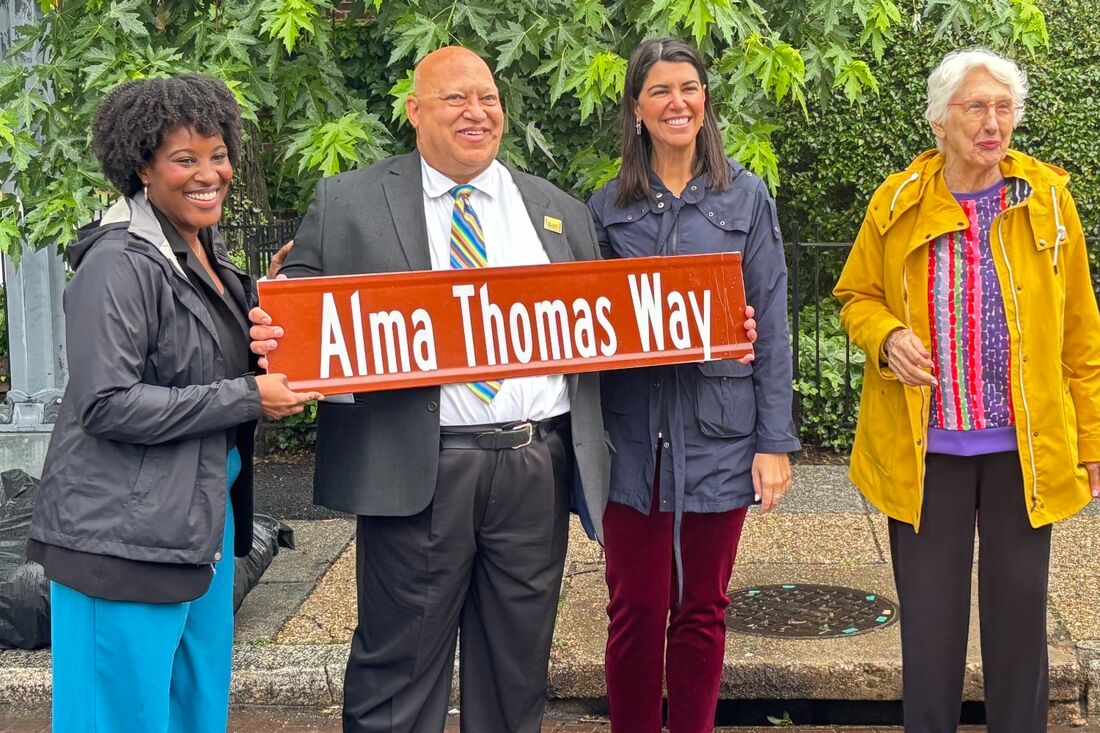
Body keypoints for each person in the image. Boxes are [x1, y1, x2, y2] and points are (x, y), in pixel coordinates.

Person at [248, 46, 611, 733]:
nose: (477, 112)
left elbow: (609, 323)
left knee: (517, 670)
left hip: (537, 467)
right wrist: (285, 306)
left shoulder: (559, 211)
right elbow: (300, 295)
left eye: (489, 98)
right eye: (455, 98)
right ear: (415, 112)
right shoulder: (350, 201)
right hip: (417, 465)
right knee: (399, 670)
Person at [26, 75, 321, 732]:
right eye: (185, 159)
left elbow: (207, 360)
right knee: (117, 718)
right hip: (121, 537)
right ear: (141, 166)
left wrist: (279, 321)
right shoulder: (118, 263)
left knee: (195, 710)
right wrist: (249, 395)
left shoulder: (203, 251)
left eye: (217, 154)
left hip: (198, 522)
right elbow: (106, 404)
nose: (208, 173)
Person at [834, 47, 1100, 731]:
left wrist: (1093, 441)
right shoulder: (896, 202)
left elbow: (1081, 335)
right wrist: (888, 335)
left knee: (1019, 634)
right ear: (939, 121)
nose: (993, 122)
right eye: (976, 106)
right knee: (930, 634)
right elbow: (855, 296)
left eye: (1004, 107)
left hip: (1025, 451)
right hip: (925, 457)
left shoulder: (1047, 201)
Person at [586, 37, 800, 733]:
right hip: (632, 441)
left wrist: (774, 441)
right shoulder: (605, 207)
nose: (676, 101)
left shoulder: (746, 196)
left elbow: (771, 322)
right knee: (636, 612)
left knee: (703, 609)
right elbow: (582, 322)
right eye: (659, 91)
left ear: (705, 102)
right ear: (637, 110)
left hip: (719, 434)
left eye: (688, 87)